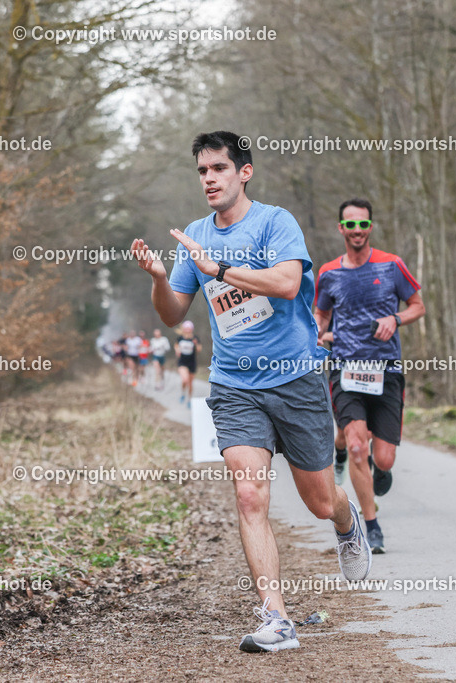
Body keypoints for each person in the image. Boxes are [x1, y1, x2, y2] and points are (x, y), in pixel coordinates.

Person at [130, 131, 371, 653]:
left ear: (244, 172)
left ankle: (347, 519)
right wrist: (156, 278)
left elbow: (286, 284)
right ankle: (276, 617)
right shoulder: (193, 234)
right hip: (235, 384)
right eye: (202, 171)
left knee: (318, 501)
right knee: (248, 493)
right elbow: (173, 313)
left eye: (219, 168)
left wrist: (217, 267)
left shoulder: (275, 223)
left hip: (295, 379)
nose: (210, 179)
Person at [314, 197, 426, 555]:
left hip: (386, 370)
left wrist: (396, 319)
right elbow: (321, 316)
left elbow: (418, 306)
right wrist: (320, 336)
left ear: (370, 228)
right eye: (351, 225)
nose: (357, 231)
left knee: (385, 459)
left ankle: (375, 466)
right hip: (346, 370)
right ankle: (371, 526)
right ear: (341, 229)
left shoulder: (392, 265)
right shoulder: (329, 273)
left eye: (363, 224)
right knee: (359, 446)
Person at [174, 321, 201, 403]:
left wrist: (195, 345)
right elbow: (176, 346)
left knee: (190, 383)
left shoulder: (195, 339)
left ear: (192, 329)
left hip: (192, 363)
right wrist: (177, 350)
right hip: (182, 362)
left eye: (189, 329)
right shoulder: (180, 338)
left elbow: (199, 350)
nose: (188, 330)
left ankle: (189, 399)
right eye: (186, 329)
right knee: (185, 380)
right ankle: (183, 394)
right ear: (184, 329)